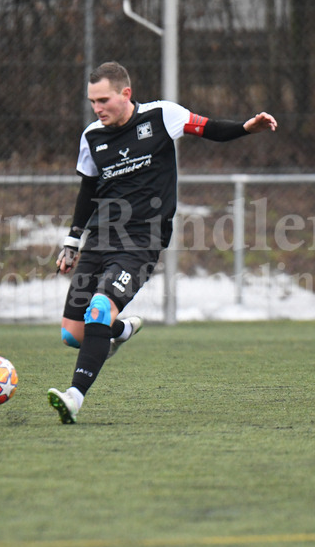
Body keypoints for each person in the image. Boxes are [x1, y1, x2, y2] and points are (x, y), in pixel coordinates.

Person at [48, 61, 277, 423]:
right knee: (72, 334)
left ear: (126, 93)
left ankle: (75, 397)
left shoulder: (162, 116)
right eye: (92, 101)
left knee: (99, 309)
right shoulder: (91, 135)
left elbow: (210, 128)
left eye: (103, 99)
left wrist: (247, 127)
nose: (97, 108)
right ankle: (120, 330)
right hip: (100, 239)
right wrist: (72, 242)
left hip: (142, 239)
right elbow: (88, 190)